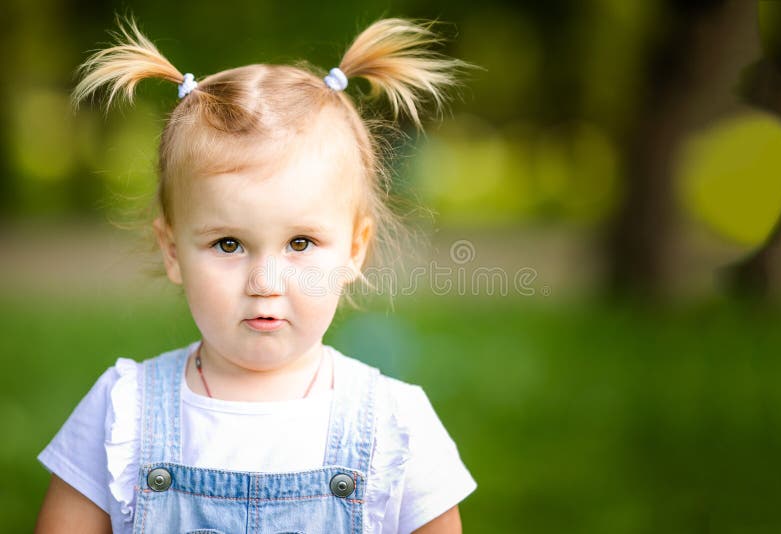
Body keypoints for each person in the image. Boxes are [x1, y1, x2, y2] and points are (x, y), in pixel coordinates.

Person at [34, 14, 477, 534]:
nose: (265, 281)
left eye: (300, 243)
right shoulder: (121, 411)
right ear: (173, 251)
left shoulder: (394, 425)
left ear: (356, 249)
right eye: (229, 244)